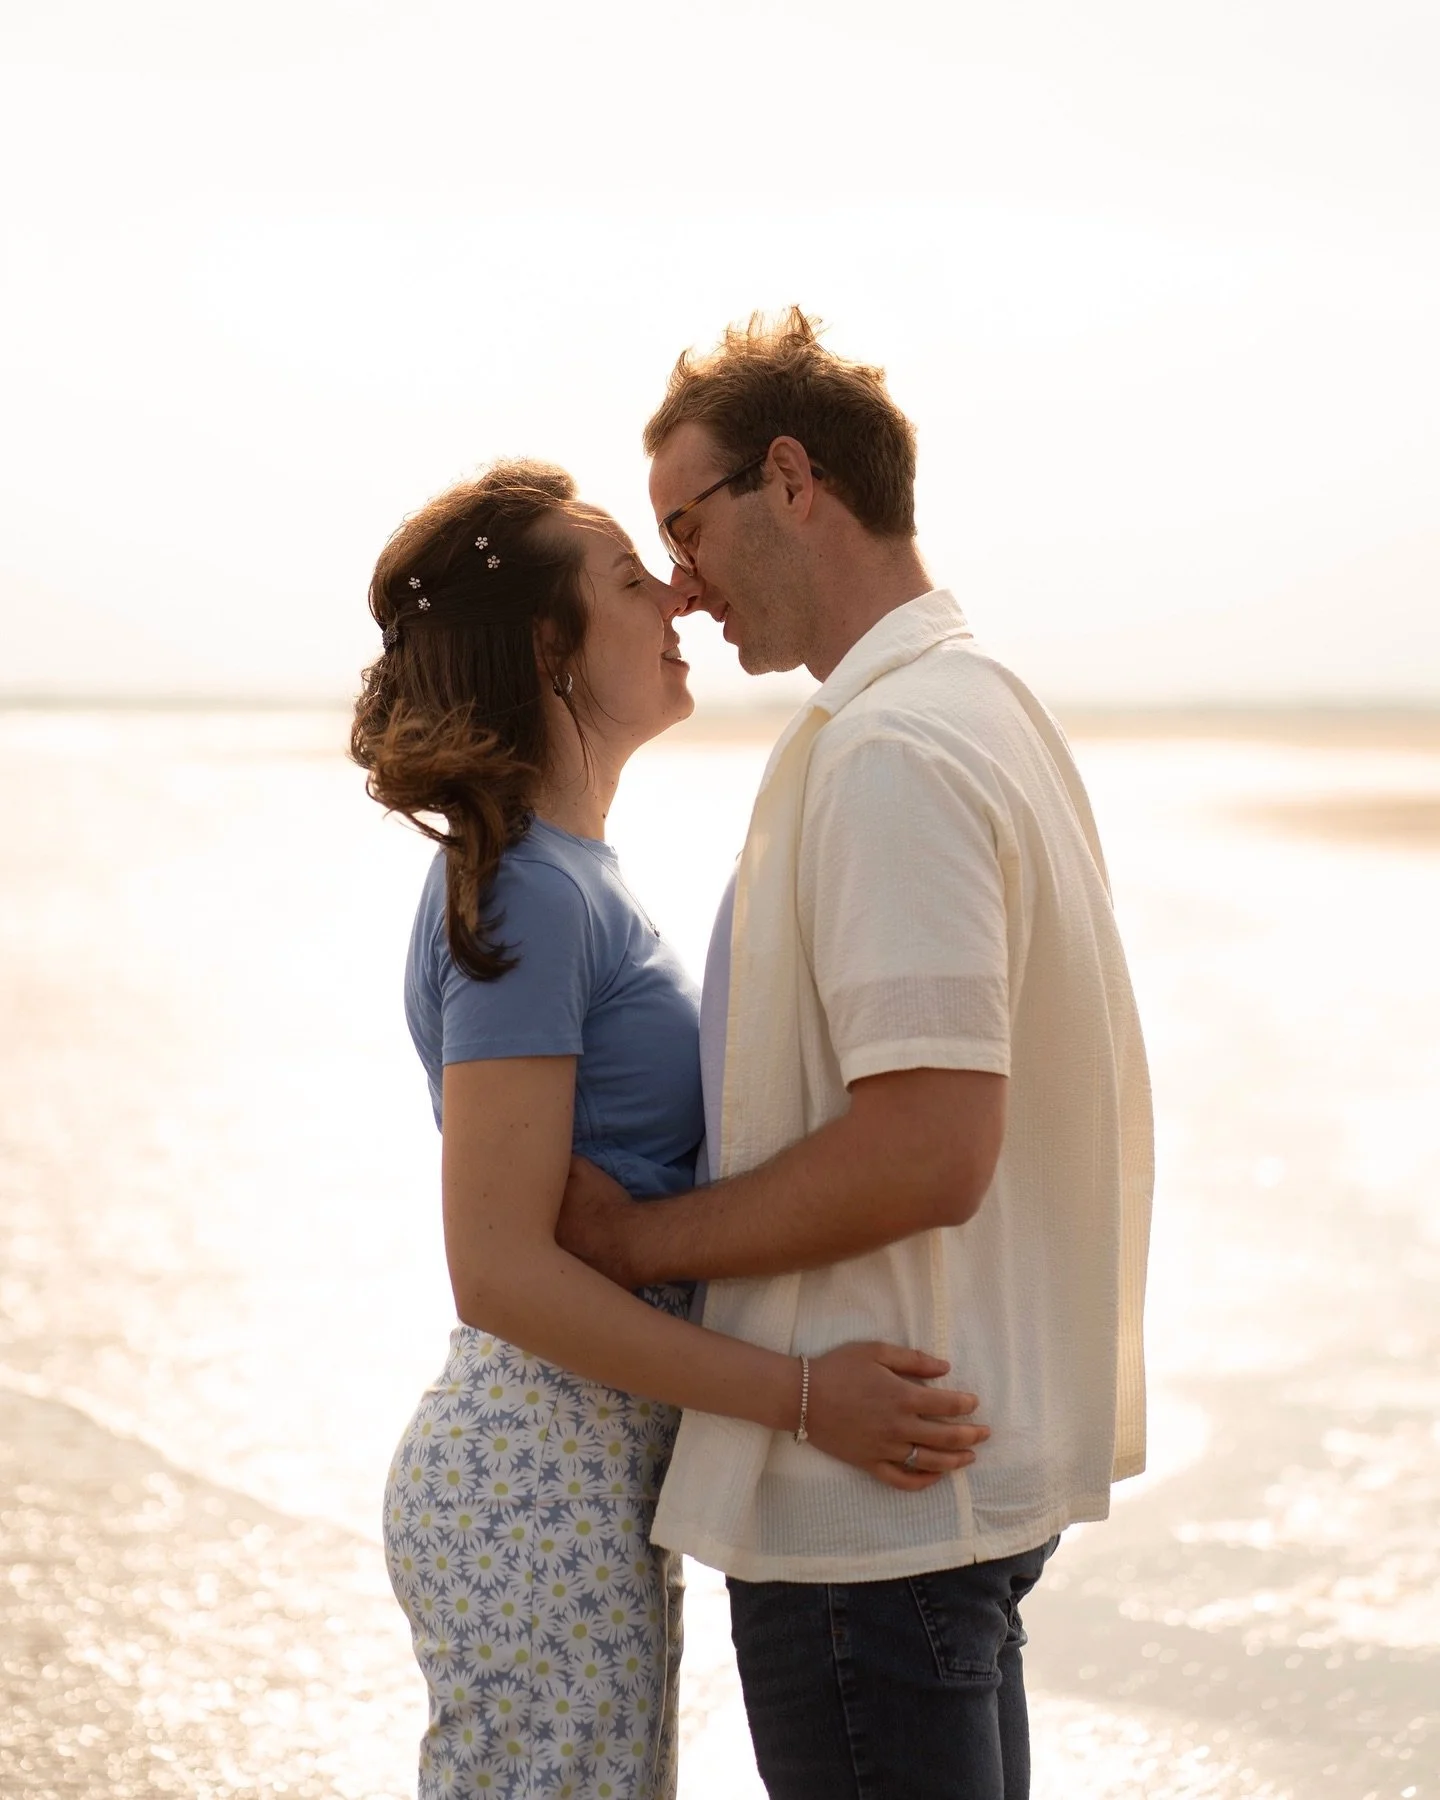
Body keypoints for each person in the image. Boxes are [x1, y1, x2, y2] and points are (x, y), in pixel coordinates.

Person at [556, 314, 1156, 1800]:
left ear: (791, 477)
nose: (681, 582)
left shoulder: (894, 751)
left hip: (868, 1512)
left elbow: (928, 1148)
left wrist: (637, 1237)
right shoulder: (987, 707)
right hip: (950, 1464)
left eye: (686, 527)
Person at [348, 460, 991, 1800]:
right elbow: (504, 1271)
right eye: (634, 581)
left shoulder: (570, 875)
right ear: (549, 645)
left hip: (591, 1468)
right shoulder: (524, 889)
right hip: (536, 1472)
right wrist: (808, 1401)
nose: (677, 603)